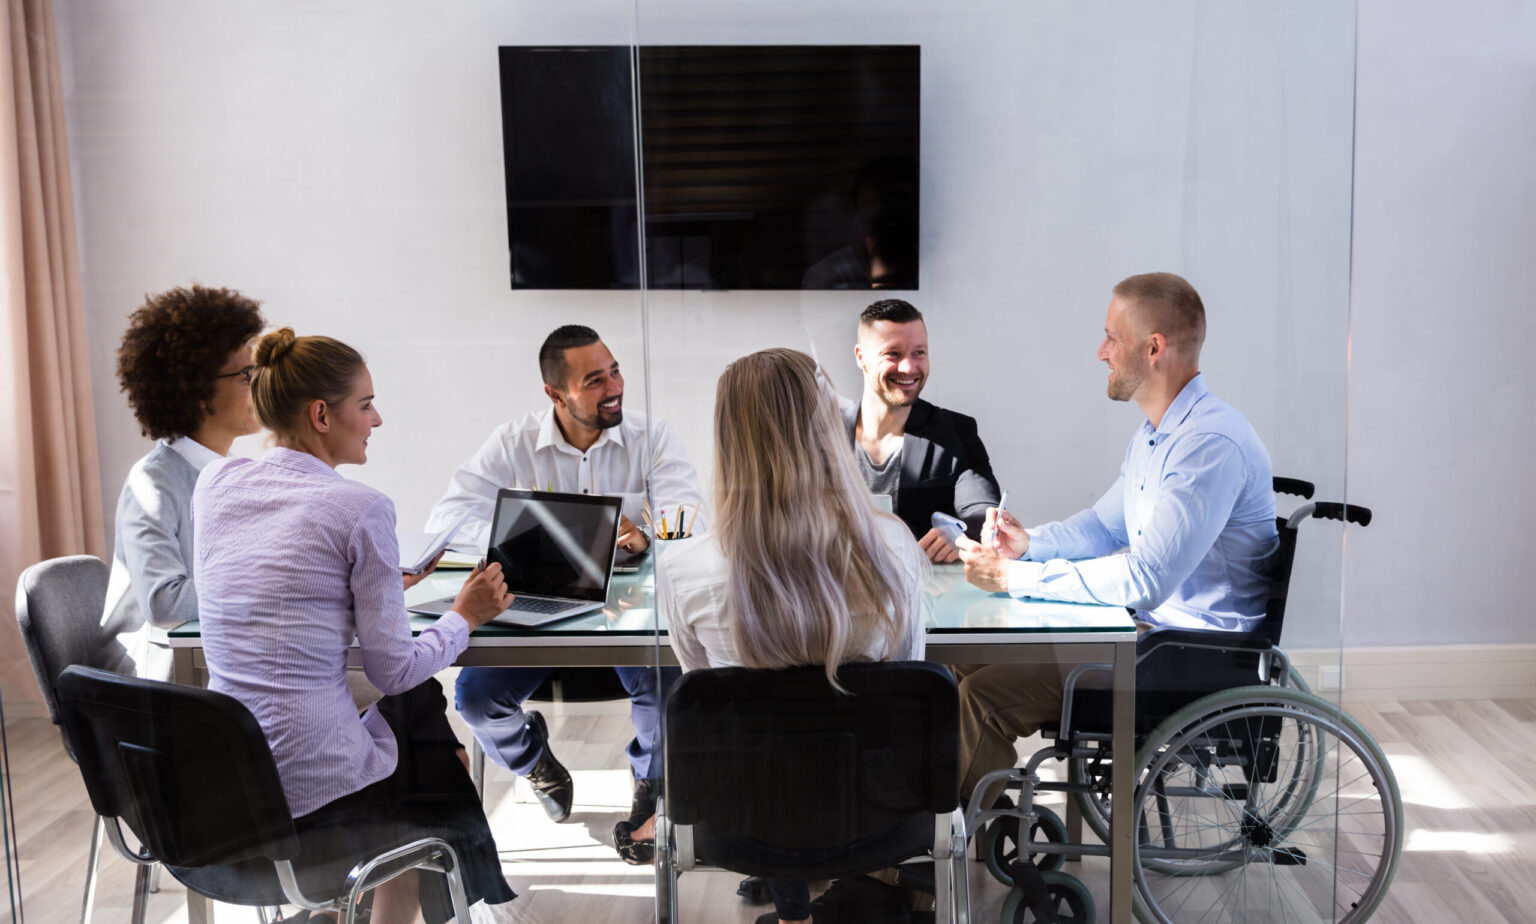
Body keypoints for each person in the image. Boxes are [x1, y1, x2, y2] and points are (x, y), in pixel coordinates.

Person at [193, 328, 529, 924]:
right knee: (425, 732)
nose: (378, 420)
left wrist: (358, 596)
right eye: (366, 404)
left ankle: (391, 909)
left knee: (418, 718)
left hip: (229, 778)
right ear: (321, 414)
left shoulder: (216, 483)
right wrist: (465, 615)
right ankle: (412, 905)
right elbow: (394, 670)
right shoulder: (360, 508)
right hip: (309, 792)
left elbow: (272, 592)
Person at [626, 347, 928, 924]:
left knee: (769, 753)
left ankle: (794, 914)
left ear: (727, 440)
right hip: (879, 814)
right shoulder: (894, 551)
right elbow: (907, 677)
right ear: (825, 431)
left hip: (742, 820)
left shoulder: (685, 571)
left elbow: (702, 694)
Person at [952, 272, 1279, 802]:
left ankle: (933, 864)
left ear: (1154, 348)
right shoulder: (1158, 433)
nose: (1100, 352)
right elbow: (1105, 526)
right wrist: (1028, 544)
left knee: (981, 697)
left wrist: (1016, 578)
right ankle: (943, 826)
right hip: (1148, 640)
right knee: (958, 660)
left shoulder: (1207, 445)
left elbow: (1146, 579)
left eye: (1112, 337)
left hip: (1184, 658)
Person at [424, 325, 701, 827]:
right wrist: (541, 533)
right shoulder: (513, 442)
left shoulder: (652, 437)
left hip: (627, 616)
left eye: (614, 371)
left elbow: (688, 520)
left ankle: (651, 784)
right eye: (594, 380)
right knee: (475, 698)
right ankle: (535, 763)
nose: (614, 387)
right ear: (556, 394)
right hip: (539, 610)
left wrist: (645, 536)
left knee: (668, 687)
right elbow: (446, 520)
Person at [103, 284, 265, 680]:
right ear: (197, 392)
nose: (261, 384)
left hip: (216, 659)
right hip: (160, 682)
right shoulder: (152, 484)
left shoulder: (235, 473)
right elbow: (164, 602)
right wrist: (272, 584)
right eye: (247, 374)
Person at [843, 298, 1001, 563]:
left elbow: (982, 512)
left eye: (919, 353)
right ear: (861, 357)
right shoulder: (820, 434)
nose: (908, 367)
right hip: (833, 594)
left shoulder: (956, 432)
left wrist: (958, 533)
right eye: (893, 354)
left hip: (926, 594)